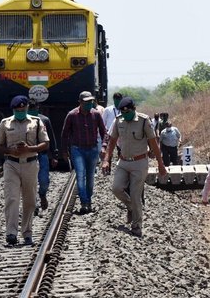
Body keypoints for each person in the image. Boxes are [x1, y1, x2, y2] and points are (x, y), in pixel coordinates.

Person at [101, 97, 167, 237]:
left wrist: (161, 164)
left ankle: (137, 226)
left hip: (139, 163)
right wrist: (106, 160)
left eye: (128, 112)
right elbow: (112, 141)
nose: (126, 114)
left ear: (134, 109)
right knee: (116, 189)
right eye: (123, 112)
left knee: (136, 194)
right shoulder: (119, 121)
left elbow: (153, 143)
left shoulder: (144, 121)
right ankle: (130, 206)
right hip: (123, 162)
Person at [0, 95, 49, 245]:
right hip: (11, 164)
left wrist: (29, 148)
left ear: (26, 109)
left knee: (30, 200)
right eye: (17, 110)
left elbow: (45, 143)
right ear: (13, 109)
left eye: (23, 109)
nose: (20, 111)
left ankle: (27, 233)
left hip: (31, 164)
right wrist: (10, 150)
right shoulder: (5, 123)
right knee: (12, 198)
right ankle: (11, 233)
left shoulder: (36, 122)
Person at [61, 91, 106, 214]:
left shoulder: (96, 115)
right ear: (80, 102)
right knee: (80, 176)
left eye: (91, 101)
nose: (89, 104)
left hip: (92, 150)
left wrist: (103, 146)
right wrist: (64, 151)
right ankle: (84, 202)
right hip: (77, 149)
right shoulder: (72, 115)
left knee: (90, 177)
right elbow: (65, 135)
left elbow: (103, 132)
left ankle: (88, 198)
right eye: (86, 102)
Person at [28, 99, 58, 213]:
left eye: (34, 108)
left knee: (44, 181)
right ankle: (33, 205)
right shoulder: (23, 121)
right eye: (30, 109)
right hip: (28, 155)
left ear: (37, 108)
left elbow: (51, 137)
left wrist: (54, 155)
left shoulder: (45, 120)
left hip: (42, 155)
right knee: (31, 181)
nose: (32, 111)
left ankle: (42, 194)